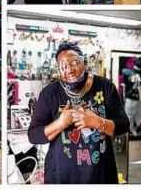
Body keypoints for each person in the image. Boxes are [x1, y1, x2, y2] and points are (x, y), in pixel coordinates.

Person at [28, 42, 130, 184]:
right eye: (63, 66)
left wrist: (98, 122)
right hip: (61, 177)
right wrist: (61, 123)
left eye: (74, 63)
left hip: (100, 176)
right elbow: (33, 135)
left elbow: (124, 125)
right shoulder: (50, 93)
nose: (69, 70)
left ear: (85, 63)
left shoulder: (105, 87)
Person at [123, 58, 141, 137]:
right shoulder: (129, 72)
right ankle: (130, 130)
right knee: (129, 115)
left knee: (139, 115)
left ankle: (133, 129)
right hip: (131, 97)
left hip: (140, 98)